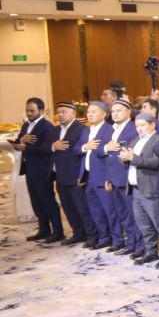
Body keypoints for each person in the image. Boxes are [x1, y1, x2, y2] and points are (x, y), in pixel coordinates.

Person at [121, 111, 159, 267]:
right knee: (143, 224)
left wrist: (133, 158)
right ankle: (151, 251)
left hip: (151, 188)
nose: (139, 128)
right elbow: (128, 159)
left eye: (142, 125)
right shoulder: (135, 139)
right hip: (135, 189)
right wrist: (123, 158)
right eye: (137, 126)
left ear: (152, 125)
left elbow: (155, 163)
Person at [13, 97, 60, 243]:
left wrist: (26, 147)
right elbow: (18, 142)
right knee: (36, 201)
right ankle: (44, 230)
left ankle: (58, 232)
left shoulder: (47, 126)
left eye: (32, 111)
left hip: (43, 170)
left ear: (41, 110)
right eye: (27, 110)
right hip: (29, 168)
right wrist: (22, 140)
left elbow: (48, 149)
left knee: (48, 201)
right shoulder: (26, 125)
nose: (29, 113)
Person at [50, 101, 93, 246]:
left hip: (76, 176)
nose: (60, 115)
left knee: (83, 208)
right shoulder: (55, 130)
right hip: (60, 175)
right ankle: (77, 233)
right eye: (58, 112)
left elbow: (83, 153)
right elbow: (46, 147)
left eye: (64, 111)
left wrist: (83, 176)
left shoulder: (82, 129)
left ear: (73, 113)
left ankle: (91, 234)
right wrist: (53, 146)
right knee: (68, 207)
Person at [103, 100, 142, 256]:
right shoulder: (112, 129)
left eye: (119, 110)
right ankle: (131, 243)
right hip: (114, 177)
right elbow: (108, 156)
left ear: (129, 112)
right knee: (123, 214)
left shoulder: (133, 128)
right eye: (113, 111)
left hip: (127, 177)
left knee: (134, 214)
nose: (115, 114)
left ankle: (141, 245)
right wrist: (108, 177)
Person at [81, 101, 116, 250]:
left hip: (103, 177)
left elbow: (111, 157)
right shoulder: (86, 130)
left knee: (110, 211)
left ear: (104, 114)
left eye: (94, 112)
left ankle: (117, 239)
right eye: (88, 112)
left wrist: (109, 178)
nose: (90, 114)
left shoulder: (109, 130)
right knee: (95, 211)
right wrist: (85, 146)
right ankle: (103, 237)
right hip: (89, 177)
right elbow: (78, 150)